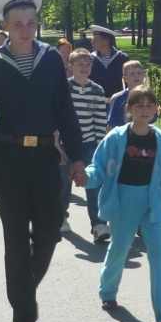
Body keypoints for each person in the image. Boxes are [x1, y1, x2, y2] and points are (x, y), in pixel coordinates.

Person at [0, 0, 86, 322]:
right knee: (16, 240)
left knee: (50, 231)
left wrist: (77, 156)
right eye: (17, 24)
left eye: (31, 23)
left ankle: (22, 291)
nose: (25, 30)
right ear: (4, 25)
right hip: (7, 161)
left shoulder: (50, 59)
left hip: (46, 157)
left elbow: (65, 109)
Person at [85, 85, 161, 322]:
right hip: (124, 201)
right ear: (128, 109)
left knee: (159, 255)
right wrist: (86, 177)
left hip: (152, 203)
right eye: (139, 106)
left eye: (149, 106)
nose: (144, 110)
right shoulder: (116, 138)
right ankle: (108, 291)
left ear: (156, 109)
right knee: (119, 248)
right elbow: (98, 167)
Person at [60, 48, 109, 241]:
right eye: (80, 64)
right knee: (63, 183)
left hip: (88, 144)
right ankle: (61, 217)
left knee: (93, 183)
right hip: (64, 144)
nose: (85, 67)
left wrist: (100, 148)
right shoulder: (63, 88)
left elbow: (99, 121)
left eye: (88, 64)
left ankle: (99, 224)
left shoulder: (97, 90)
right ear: (71, 66)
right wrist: (56, 143)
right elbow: (56, 117)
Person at [106, 60, 155, 132]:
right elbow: (111, 124)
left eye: (139, 73)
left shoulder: (149, 96)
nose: (136, 76)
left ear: (143, 76)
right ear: (124, 78)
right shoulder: (117, 98)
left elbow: (152, 119)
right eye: (132, 74)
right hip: (122, 135)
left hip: (143, 134)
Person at [89, 24, 128, 97]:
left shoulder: (121, 58)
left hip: (116, 101)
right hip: (95, 100)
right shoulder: (90, 59)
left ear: (105, 42)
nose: (92, 42)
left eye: (95, 39)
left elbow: (128, 81)